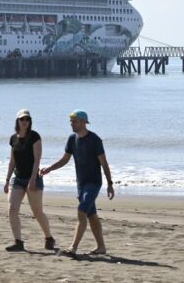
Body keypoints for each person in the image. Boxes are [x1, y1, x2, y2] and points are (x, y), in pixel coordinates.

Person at [40, 110, 114, 257]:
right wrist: (50, 168)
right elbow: (65, 159)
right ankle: (101, 247)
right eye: (71, 121)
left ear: (83, 122)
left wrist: (110, 183)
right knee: (91, 215)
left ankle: (73, 248)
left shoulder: (95, 140)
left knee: (81, 211)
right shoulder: (72, 139)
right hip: (81, 184)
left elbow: (104, 163)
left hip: (93, 183)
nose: (71, 124)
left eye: (74, 121)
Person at [3, 109, 55, 252]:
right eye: (22, 119)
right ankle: (18, 242)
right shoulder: (13, 139)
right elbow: (12, 161)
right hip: (17, 179)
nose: (25, 122)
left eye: (27, 119)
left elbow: (37, 160)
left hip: (33, 179)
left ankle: (49, 238)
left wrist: (33, 179)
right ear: (17, 121)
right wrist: (7, 180)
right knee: (12, 209)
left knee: (37, 212)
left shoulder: (34, 136)